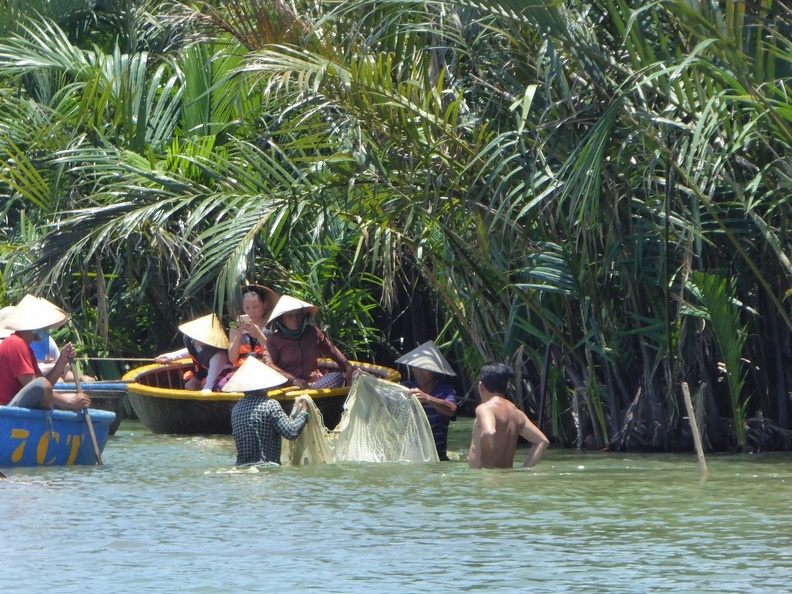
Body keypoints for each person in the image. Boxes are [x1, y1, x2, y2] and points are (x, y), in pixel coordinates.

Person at [0, 295, 90, 410]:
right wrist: (70, 401)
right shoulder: (15, 344)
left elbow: (46, 385)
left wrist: (62, 361)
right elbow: (39, 386)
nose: (47, 330)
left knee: (67, 398)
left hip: (17, 405)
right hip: (8, 409)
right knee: (65, 398)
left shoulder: (26, 348)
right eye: (45, 326)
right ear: (34, 326)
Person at [225, 355, 310, 466]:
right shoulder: (270, 405)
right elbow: (291, 432)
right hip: (267, 469)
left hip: (242, 468)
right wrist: (304, 412)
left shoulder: (236, 409)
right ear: (265, 386)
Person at [262, 295, 354, 389]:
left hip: (314, 385)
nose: (295, 318)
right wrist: (293, 380)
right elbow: (269, 365)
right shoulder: (273, 340)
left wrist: (346, 365)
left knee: (336, 377)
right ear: (281, 320)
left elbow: (330, 349)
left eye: (298, 314)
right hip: (289, 388)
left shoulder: (312, 332)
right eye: (290, 316)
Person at [468, 362, 549, 469]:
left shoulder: (485, 408)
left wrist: (483, 464)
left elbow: (489, 432)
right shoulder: (517, 413)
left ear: (481, 386)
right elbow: (542, 441)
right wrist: (524, 468)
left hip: (486, 479)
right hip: (507, 477)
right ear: (506, 386)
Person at [395, 340, 458, 461]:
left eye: (424, 369)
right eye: (416, 368)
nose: (419, 372)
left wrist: (428, 399)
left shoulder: (445, 391)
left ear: (434, 371)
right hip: (409, 458)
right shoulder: (406, 387)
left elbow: (451, 410)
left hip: (437, 458)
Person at [155, 313, 233, 392]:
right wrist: (169, 357)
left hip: (221, 374)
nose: (193, 338)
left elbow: (211, 379)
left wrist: (206, 390)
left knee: (210, 387)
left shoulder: (218, 356)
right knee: (190, 386)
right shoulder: (196, 343)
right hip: (204, 371)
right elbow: (190, 351)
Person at [228, 284, 280, 366]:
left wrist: (259, 335)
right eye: (247, 308)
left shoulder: (272, 326)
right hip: (240, 373)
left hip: (265, 372)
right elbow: (232, 358)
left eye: (255, 307)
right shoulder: (235, 328)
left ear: (264, 304)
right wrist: (238, 335)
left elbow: (275, 356)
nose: (251, 312)